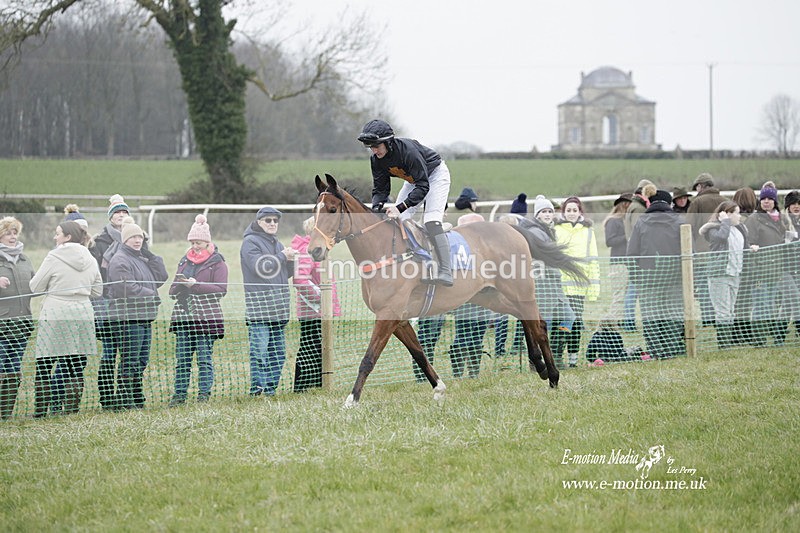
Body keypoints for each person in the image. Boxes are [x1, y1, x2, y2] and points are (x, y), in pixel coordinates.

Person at [358, 119, 453, 286]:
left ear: (388, 142)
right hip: (412, 181)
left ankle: (446, 270)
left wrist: (400, 207)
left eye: (377, 146)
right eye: (370, 147)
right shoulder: (376, 159)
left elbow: (423, 187)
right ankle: (418, 261)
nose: (374, 150)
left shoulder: (409, 152)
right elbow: (380, 189)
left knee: (431, 222)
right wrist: (376, 208)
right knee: (398, 220)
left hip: (435, 176)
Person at [29, 221, 102, 417]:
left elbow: (35, 287)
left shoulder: (54, 257)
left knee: (45, 363)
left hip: (56, 311)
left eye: (57, 234)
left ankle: (40, 413)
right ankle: (71, 411)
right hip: (82, 312)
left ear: (68, 237)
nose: (55, 237)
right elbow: (97, 290)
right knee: (76, 365)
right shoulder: (90, 257)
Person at [106, 217, 168, 409]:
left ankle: (136, 397)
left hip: (144, 318)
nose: (137, 240)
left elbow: (161, 277)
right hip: (128, 319)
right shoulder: (120, 260)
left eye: (139, 237)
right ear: (124, 240)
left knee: (141, 361)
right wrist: (151, 295)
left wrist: (151, 255)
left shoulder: (141, 258)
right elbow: (126, 288)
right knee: (130, 361)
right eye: (132, 237)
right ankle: (125, 401)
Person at [167, 215, 228, 406]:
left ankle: (203, 396)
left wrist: (196, 286)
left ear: (207, 241)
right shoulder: (184, 261)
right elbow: (172, 288)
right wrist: (179, 285)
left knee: (204, 359)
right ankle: (179, 396)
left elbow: (221, 290)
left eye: (199, 242)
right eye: (193, 242)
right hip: (184, 316)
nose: (195, 246)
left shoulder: (218, 262)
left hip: (206, 318)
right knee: (182, 361)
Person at [241, 206, 296, 397]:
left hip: (279, 309)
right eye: (268, 220)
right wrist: (283, 256)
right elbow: (261, 267)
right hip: (260, 309)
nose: (273, 224)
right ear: (259, 222)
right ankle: (257, 390)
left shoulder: (278, 244)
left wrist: (291, 262)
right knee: (260, 354)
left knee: (278, 355)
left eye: (275, 220)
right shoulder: (250, 243)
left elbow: (282, 273)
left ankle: (270, 391)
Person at [90, 194, 136, 410]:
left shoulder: (137, 238)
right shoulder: (100, 243)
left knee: (130, 353)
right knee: (109, 352)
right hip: (107, 303)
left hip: (131, 305)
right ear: (110, 216)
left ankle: (127, 396)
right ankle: (107, 398)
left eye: (124, 212)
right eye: (117, 212)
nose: (120, 215)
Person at [627, 189, 685, 359]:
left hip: (648, 279)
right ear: (670, 204)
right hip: (675, 279)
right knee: (673, 314)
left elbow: (632, 253)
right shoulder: (680, 222)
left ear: (650, 203)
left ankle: (655, 351)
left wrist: (637, 277)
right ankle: (670, 350)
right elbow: (690, 253)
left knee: (651, 315)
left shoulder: (641, 222)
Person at [291, 216, 341, 392]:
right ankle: (303, 386)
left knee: (317, 347)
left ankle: (316, 384)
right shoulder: (307, 251)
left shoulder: (317, 250)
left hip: (320, 310)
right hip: (313, 311)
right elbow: (300, 280)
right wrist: (320, 298)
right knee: (309, 348)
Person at [699, 201, 753, 349]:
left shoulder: (740, 228)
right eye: (736, 212)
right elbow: (722, 237)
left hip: (736, 274)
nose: (739, 216)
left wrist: (751, 248)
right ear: (726, 214)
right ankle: (724, 346)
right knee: (723, 312)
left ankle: (727, 343)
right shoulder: (714, 229)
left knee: (730, 310)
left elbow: (744, 246)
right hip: (719, 275)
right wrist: (725, 222)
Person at [554, 196, 600, 367]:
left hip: (579, 288)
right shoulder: (556, 230)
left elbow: (593, 259)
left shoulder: (588, 231)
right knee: (562, 323)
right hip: (561, 288)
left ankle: (573, 359)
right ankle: (557, 356)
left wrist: (594, 289)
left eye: (574, 210)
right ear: (563, 212)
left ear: (580, 212)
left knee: (575, 323)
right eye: (568, 210)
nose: (571, 213)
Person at [744, 185, 791, 346]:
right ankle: (759, 340)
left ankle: (767, 337)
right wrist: (755, 268)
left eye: (769, 199)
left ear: (775, 201)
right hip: (760, 271)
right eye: (763, 199)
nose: (766, 202)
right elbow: (749, 244)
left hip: (776, 271)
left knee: (770, 306)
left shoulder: (781, 220)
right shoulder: (754, 219)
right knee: (760, 306)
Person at [0, 217, 35, 420]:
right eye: (8, 233)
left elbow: (35, 282)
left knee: (14, 371)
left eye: (15, 233)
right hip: (1, 325)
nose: (13, 237)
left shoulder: (25, 259)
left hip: (22, 324)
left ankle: (5, 414)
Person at [686, 173, 726, 326]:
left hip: (703, 254)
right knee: (720, 287)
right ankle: (721, 317)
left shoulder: (697, 202)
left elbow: (688, 227)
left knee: (704, 288)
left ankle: (708, 319)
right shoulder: (725, 201)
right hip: (723, 252)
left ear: (699, 186)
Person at [603, 192, 633, 326]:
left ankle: (620, 320)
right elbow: (609, 241)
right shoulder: (613, 221)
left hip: (626, 263)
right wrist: (627, 236)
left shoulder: (625, 221)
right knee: (618, 296)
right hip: (618, 264)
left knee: (625, 295)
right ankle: (612, 322)